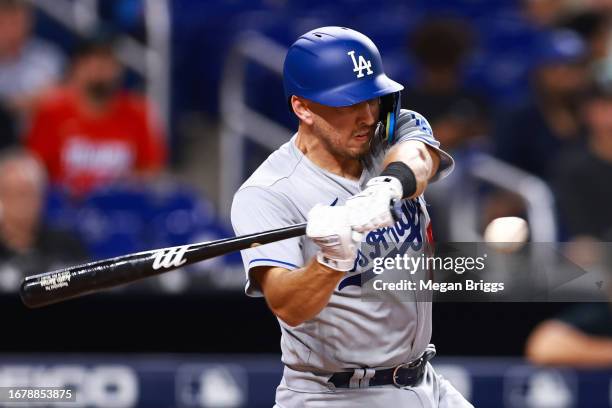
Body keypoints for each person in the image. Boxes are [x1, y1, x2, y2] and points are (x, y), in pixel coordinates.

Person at [231, 27, 471, 407]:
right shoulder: (268, 192)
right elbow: (287, 305)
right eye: (346, 104)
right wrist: (332, 261)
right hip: (336, 394)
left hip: (426, 381)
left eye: (371, 99)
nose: (365, 116)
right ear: (303, 107)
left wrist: (386, 187)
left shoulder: (388, 131)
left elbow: (420, 157)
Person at [25, 37, 166, 196]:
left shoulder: (138, 112)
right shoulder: (51, 111)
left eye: (107, 63)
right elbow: (35, 169)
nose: (100, 72)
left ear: (118, 69)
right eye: (93, 63)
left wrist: (112, 187)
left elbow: (151, 170)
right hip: (64, 208)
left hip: (119, 209)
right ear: (76, 68)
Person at [0, 149, 88, 292]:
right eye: (10, 193)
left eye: (27, 193)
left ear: (42, 197)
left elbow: (84, 290)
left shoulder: (67, 245)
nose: (20, 204)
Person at [0, 0, 64, 117]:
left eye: (17, 21)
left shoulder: (48, 57)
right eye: (5, 21)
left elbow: (59, 97)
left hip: (39, 129)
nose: (12, 28)